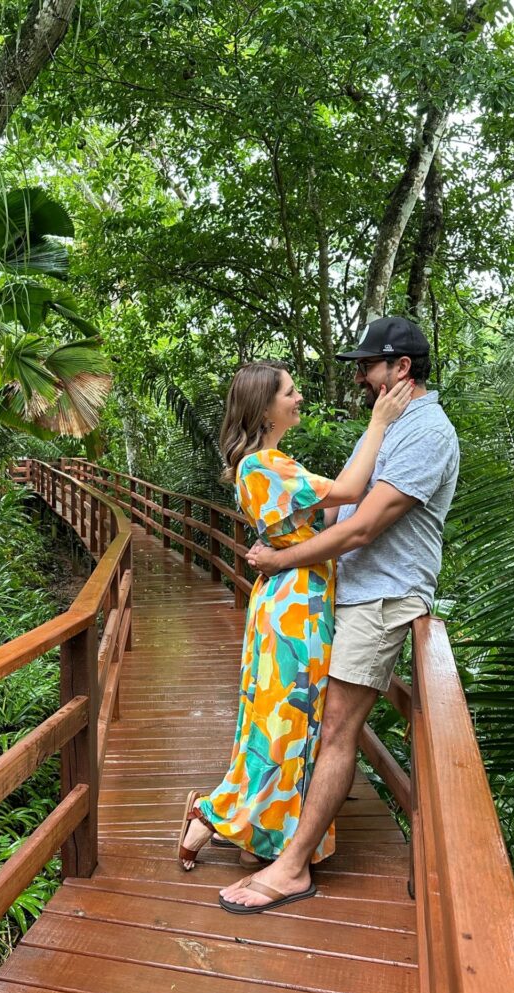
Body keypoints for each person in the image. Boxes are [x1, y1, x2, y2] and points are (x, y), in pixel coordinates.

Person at [219, 316, 460, 913]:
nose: (357, 375)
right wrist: (286, 546)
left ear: (400, 368)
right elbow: (332, 510)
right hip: (344, 596)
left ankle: (292, 866)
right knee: (309, 725)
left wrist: (281, 559)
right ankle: (272, 840)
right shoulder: (387, 425)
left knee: (334, 730)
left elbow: (362, 527)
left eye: (367, 365)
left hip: (380, 597)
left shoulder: (427, 432)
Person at [177, 359, 413, 886]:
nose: (299, 397)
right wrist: (379, 421)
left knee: (283, 722)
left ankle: (249, 836)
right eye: (290, 391)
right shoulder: (263, 466)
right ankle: (223, 819)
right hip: (294, 605)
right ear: (264, 407)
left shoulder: (275, 462)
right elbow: (351, 494)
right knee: (285, 724)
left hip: (297, 597)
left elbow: (328, 515)